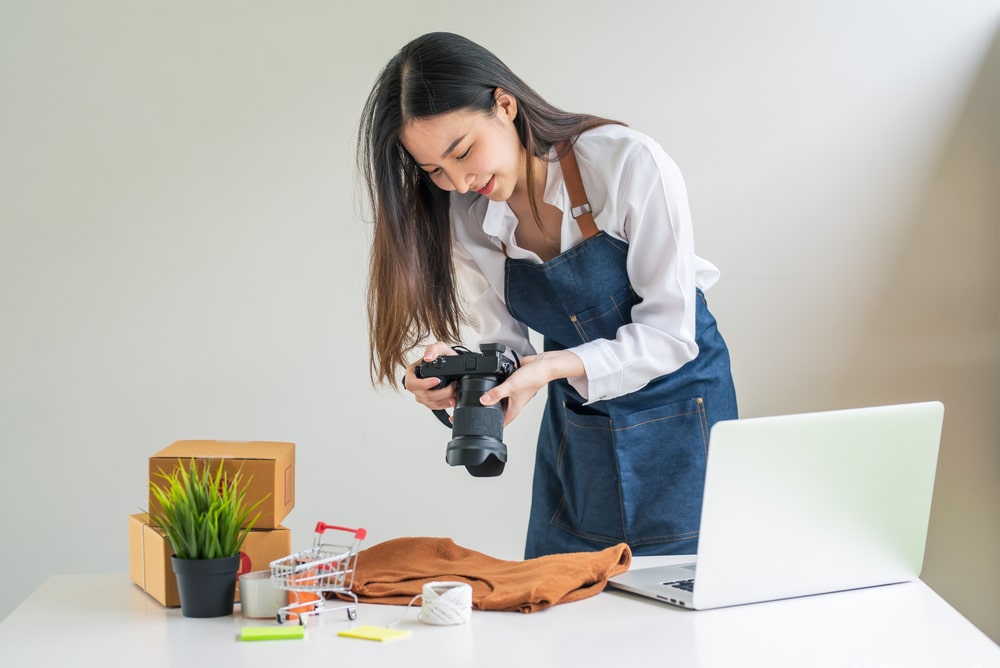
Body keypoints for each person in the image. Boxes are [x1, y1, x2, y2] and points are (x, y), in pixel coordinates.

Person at [357, 32, 738, 559]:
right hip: (579, 426)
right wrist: (467, 373)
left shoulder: (626, 163)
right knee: (561, 598)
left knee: (686, 592)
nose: (461, 181)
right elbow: (509, 346)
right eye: (435, 171)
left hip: (682, 409)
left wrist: (552, 367)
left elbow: (670, 334)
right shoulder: (467, 219)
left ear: (504, 105)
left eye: (463, 151)